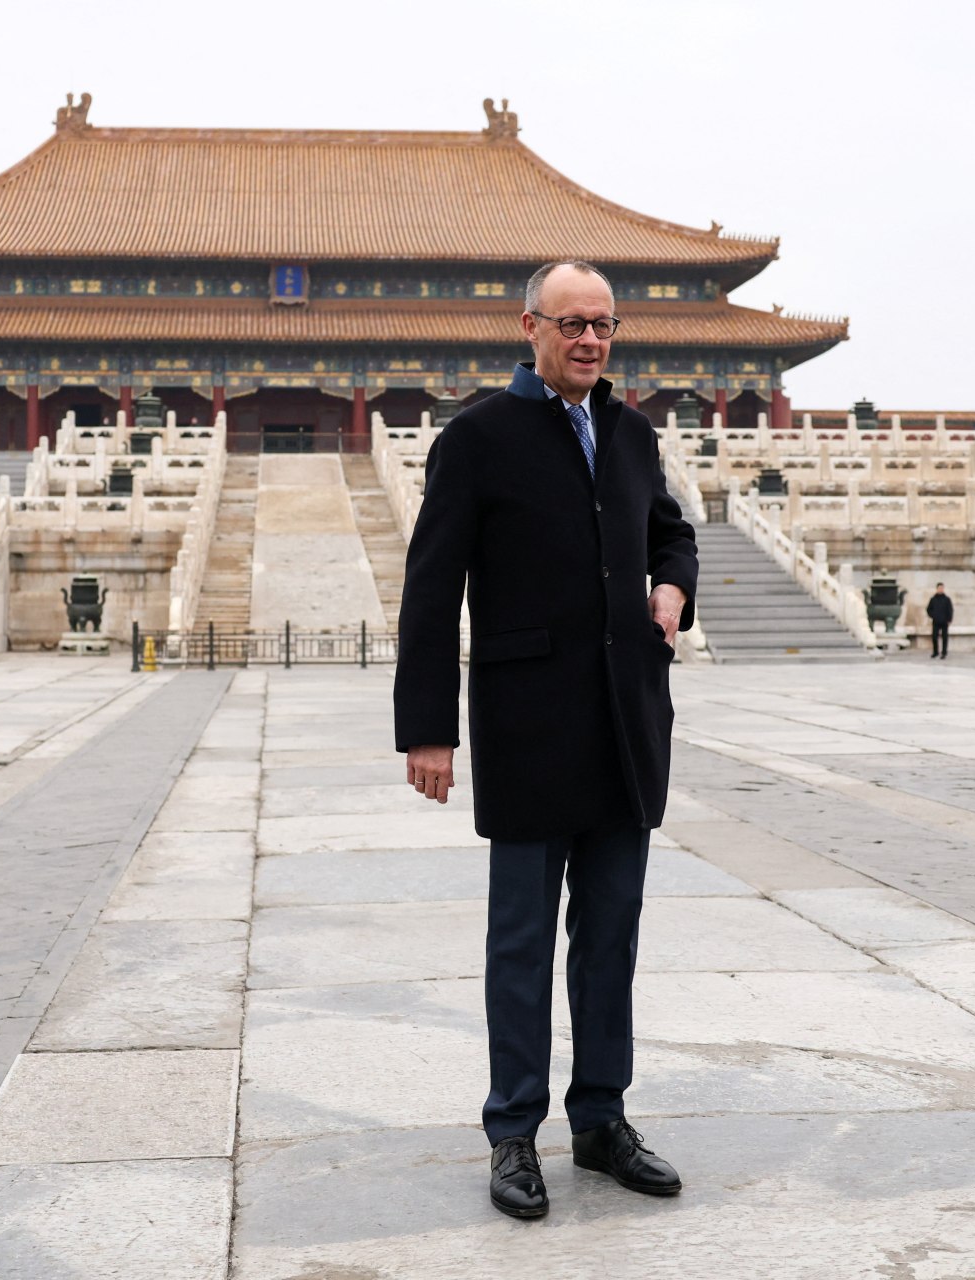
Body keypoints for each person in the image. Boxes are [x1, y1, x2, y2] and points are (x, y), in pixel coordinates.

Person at [394, 261, 698, 1220]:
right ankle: (513, 1132)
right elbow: (432, 590)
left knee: (610, 937)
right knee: (521, 943)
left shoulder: (631, 431)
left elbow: (670, 532)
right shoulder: (479, 437)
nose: (591, 341)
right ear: (528, 327)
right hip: (528, 726)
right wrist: (428, 731)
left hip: (626, 725)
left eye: (604, 325)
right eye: (572, 324)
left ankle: (602, 1121)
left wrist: (673, 585)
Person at [926, 582, 953, 658]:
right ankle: (935, 652)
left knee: (945, 637)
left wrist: (949, 619)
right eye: (939, 588)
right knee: (934, 637)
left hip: (944, 621)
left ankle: (944, 652)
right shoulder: (933, 599)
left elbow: (950, 610)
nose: (941, 589)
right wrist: (933, 615)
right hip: (936, 621)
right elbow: (928, 609)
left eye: (942, 588)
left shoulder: (947, 599)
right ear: (937, 589)